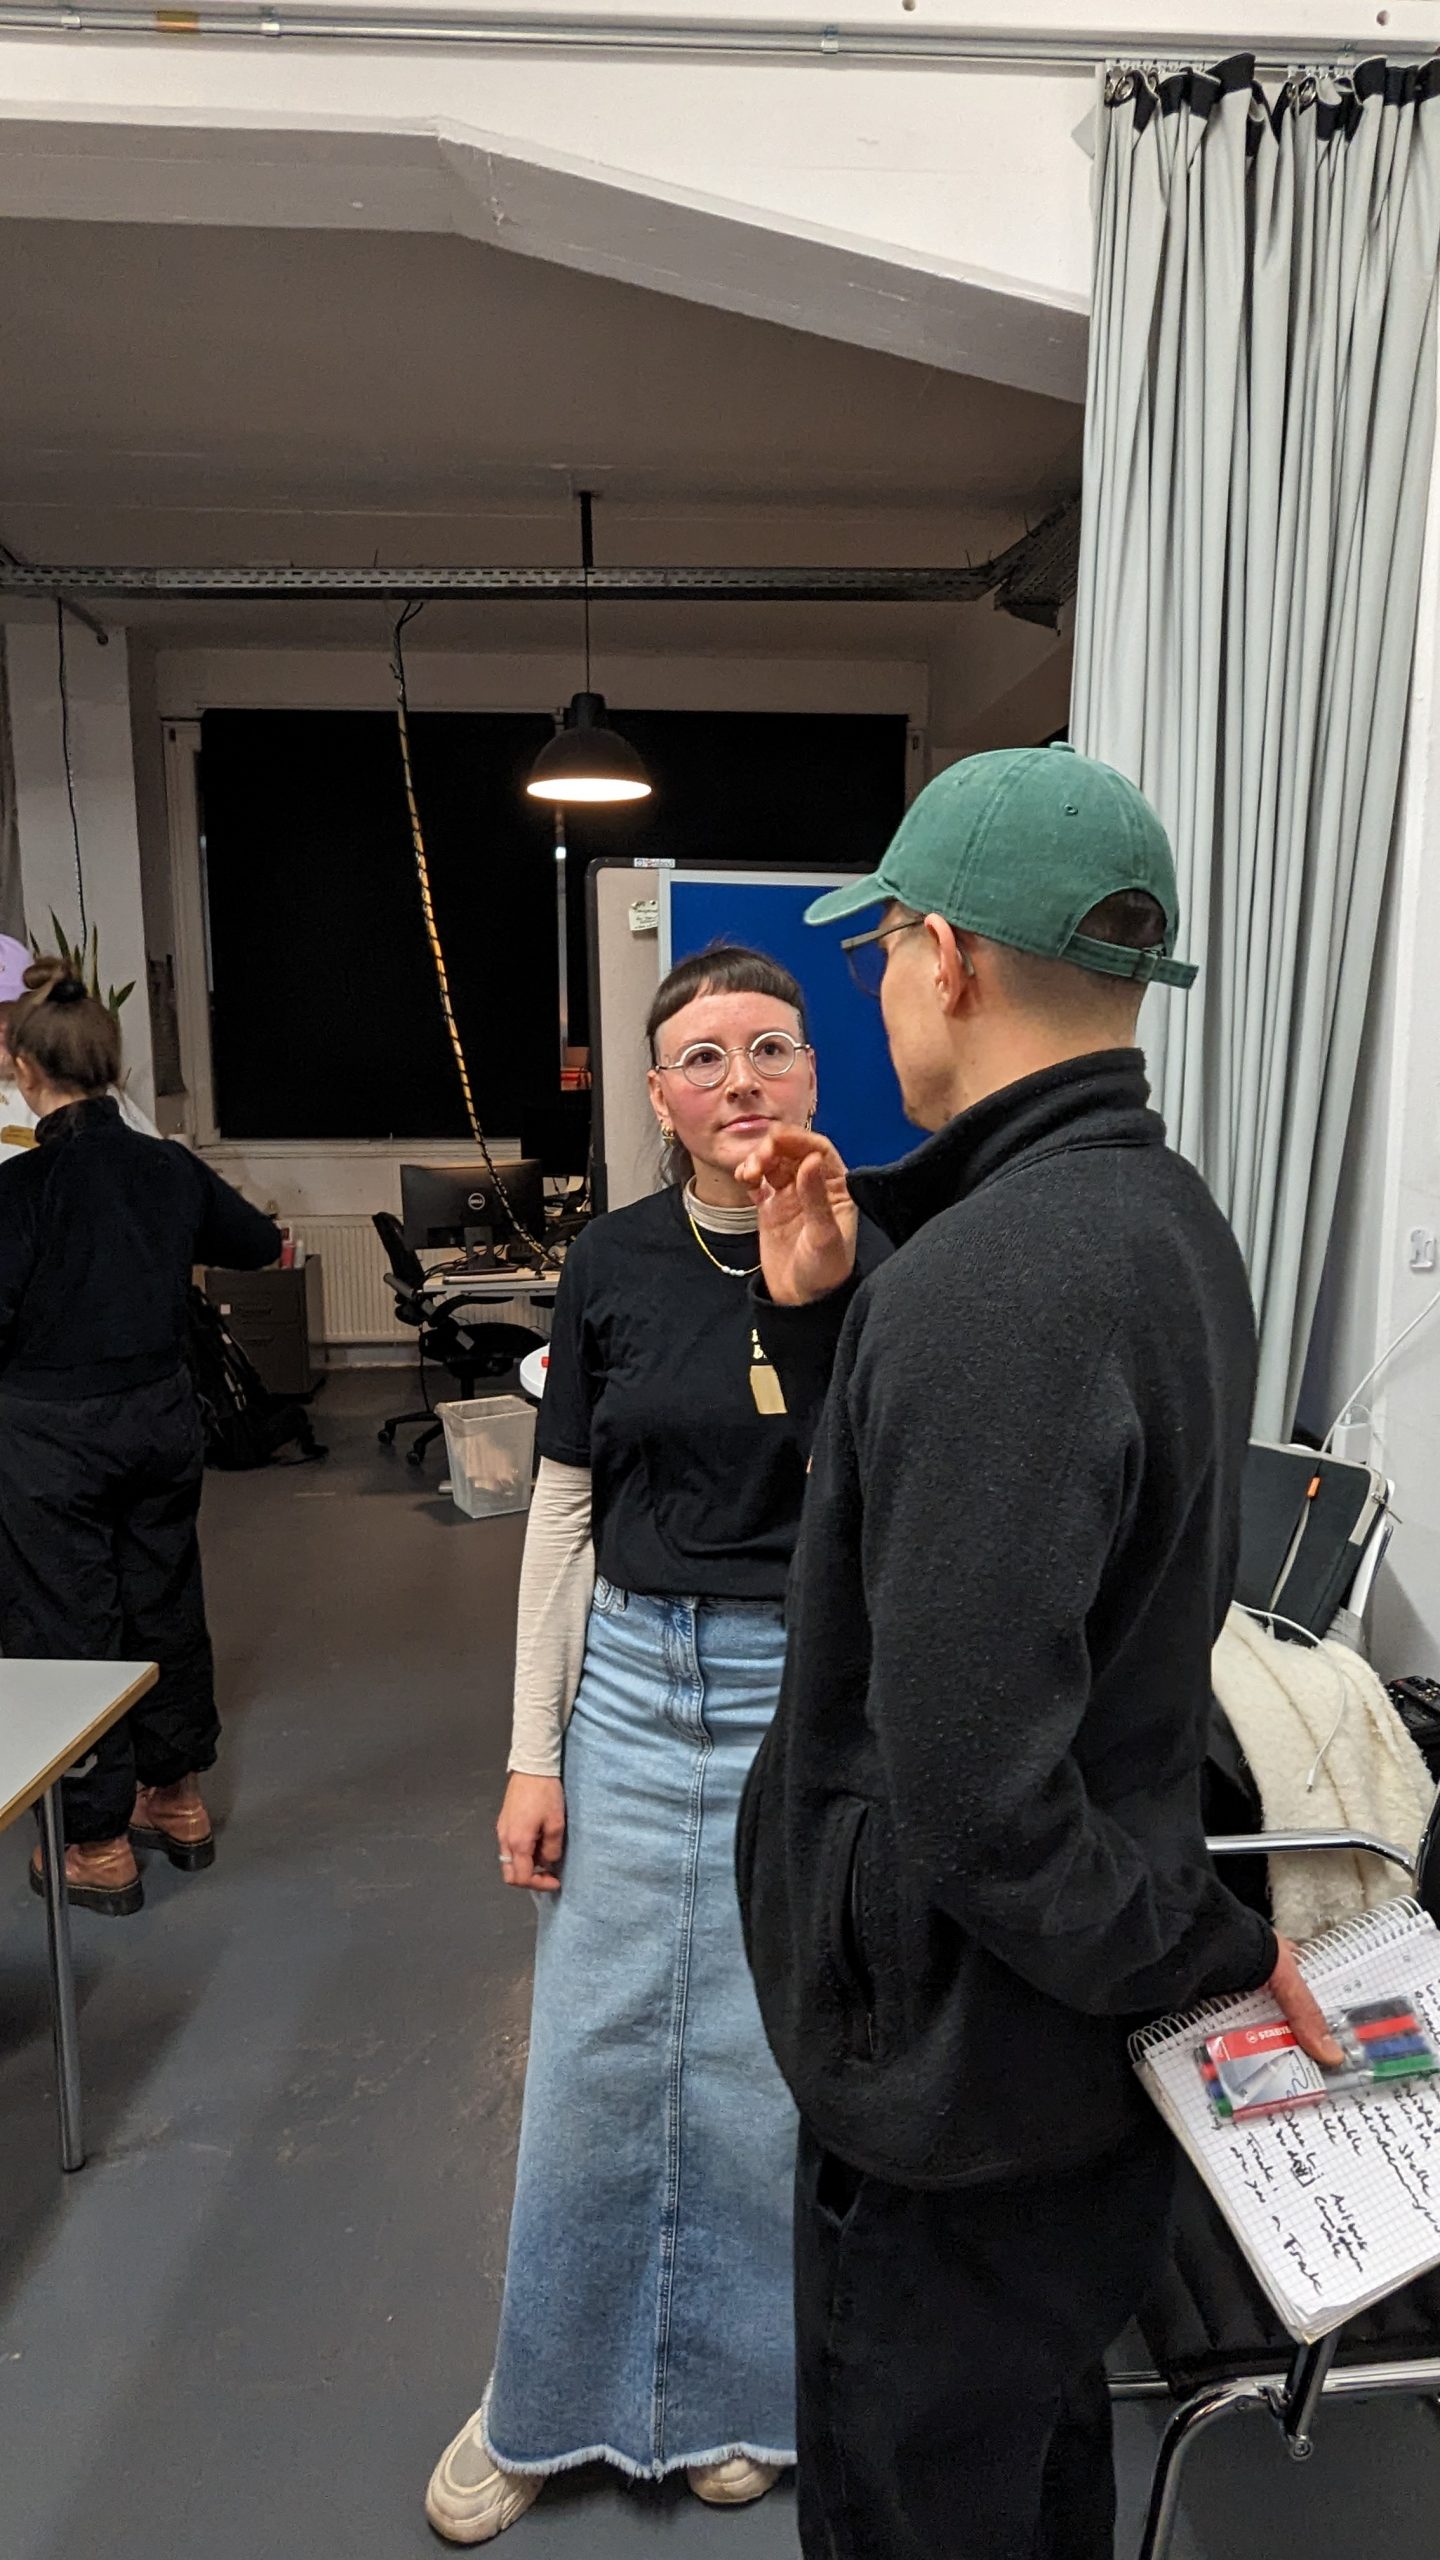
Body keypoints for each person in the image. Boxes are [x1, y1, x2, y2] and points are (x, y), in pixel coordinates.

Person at [732, 746, 1343, 2560]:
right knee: (1030, 2461)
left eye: (881, 955)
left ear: (949, 956)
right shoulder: (1163, 1221)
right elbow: (984, 1564)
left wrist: (1220, 1956)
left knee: (919, 2499)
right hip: (1051, 2058)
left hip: (961, 2073)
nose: (883, 991)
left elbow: (980, 1802)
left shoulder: (1000, 1283)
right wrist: (837, 1324)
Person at [425, 945, 885, 2547]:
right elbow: (563, 1514)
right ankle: (541, 2401)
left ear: (813, 1072)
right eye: (703, 1057)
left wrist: (818, 1294)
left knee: (758, 2069)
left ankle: (734, 2396)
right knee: (591, 2057)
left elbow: (879, 1516)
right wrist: (530, 1750)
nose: (739, 1078)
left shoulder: (870, 1260)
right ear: (659, 1097)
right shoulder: (612, 1263)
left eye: (771, 1047)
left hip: (787, 1693)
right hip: (627, 1682)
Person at [0, 957, 281, 1915]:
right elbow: (255, 1243)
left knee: (66, 1622)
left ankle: (97, 1842)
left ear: (24, 1068)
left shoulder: (21, 1188)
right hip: (159, 1422)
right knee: (163, 1597)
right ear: (111, 1065)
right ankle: (178, 1797)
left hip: (50, 1441)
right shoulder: (167, 1168)